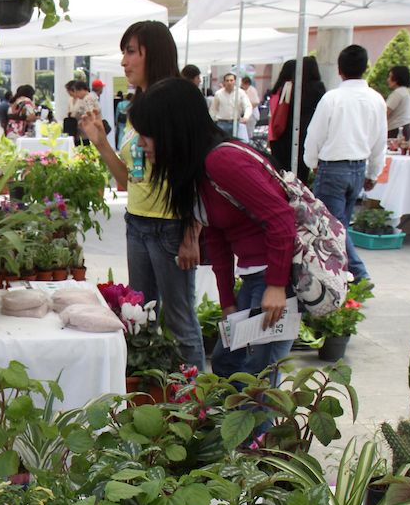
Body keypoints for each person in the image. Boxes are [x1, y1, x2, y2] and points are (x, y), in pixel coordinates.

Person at [127, 77, 298, 381]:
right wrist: (228, 302)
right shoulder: (198, 168)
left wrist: (276, 286)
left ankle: (257, 416)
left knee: (258, 381)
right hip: (254, 278)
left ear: (172, 131)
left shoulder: (223, 160)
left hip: (273, 276)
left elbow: (282, 218)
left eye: (147, 135)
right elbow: (218, 235)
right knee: (226, 364)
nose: (141, 144)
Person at [79, 20, 205, 370]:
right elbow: (128, 179)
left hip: (172, 226)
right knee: (141, 317)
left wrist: (192, 234)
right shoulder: (137, 109)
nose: (124, 61)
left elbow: (197, 171)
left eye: (131, 52)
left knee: (180, 322)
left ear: (154, 53)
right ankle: (153, 390)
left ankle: (197, 397)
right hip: (137, 223)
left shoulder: (178, 100)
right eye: (124, 52)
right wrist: (101, 142)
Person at [304, 44, 386, 288]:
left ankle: (359, 273)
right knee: (340, 225)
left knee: (333, 227)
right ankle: (344, 275)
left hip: (333, 167)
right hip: (358, 167)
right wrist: (373, 172)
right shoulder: (376, 99)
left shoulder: (332, 98)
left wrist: (312, 162)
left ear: (339, 70)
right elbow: (380, 140)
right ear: (366, 67)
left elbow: (314, 135)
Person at [267, 57, 325, 182]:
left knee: (282, 175)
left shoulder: (288, 87)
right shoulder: (318, 88)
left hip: (283, 135)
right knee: (300, 175)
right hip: (305, 135)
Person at [209, 73, 254, 141]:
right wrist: (214, 120)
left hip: (236, 123)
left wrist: (246, 117)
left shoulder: (240, 93)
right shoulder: (218, 94)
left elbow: (248, 106)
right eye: (227, 80)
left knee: (235, 143)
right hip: (221, 123)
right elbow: (213, 109)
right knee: (221, 143)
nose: (229, 82)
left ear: (235, 81)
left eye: (231, 80)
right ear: (224, 82)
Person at [385, 65, 410, 140]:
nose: (388, 80)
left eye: (390, 77)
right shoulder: (405, 92)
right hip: (405, 128)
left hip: (395, 130)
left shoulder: (397, 93)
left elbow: (385, 113)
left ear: (397, 79)